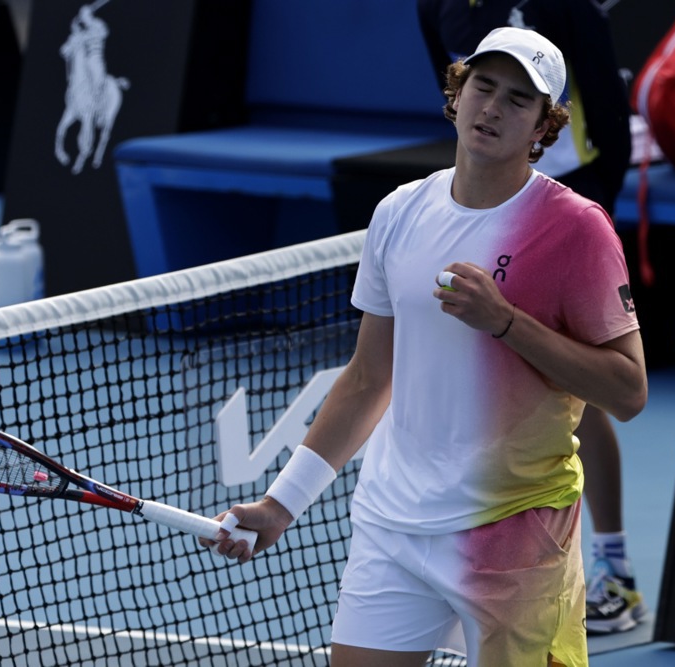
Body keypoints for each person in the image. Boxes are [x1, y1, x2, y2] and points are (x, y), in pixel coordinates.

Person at [204, 27, 647, 666]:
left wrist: (506, 323)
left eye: (518, 100)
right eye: (483, 86)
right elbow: (365, 379)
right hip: (392, 527)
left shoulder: (576, 228)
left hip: (515, 530)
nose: (493, 107)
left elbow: (628, 393)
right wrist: (283, 502)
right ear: (457, 91)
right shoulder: (399, 212)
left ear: (544, 128)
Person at [418, 0, 647, 634]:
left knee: (583, 392)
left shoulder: (566, 9)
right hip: (486, 193)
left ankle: (615, 573)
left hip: (566, 198)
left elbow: (605, 109)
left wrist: (579, 223)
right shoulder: (434, 5)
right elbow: (450, 79)